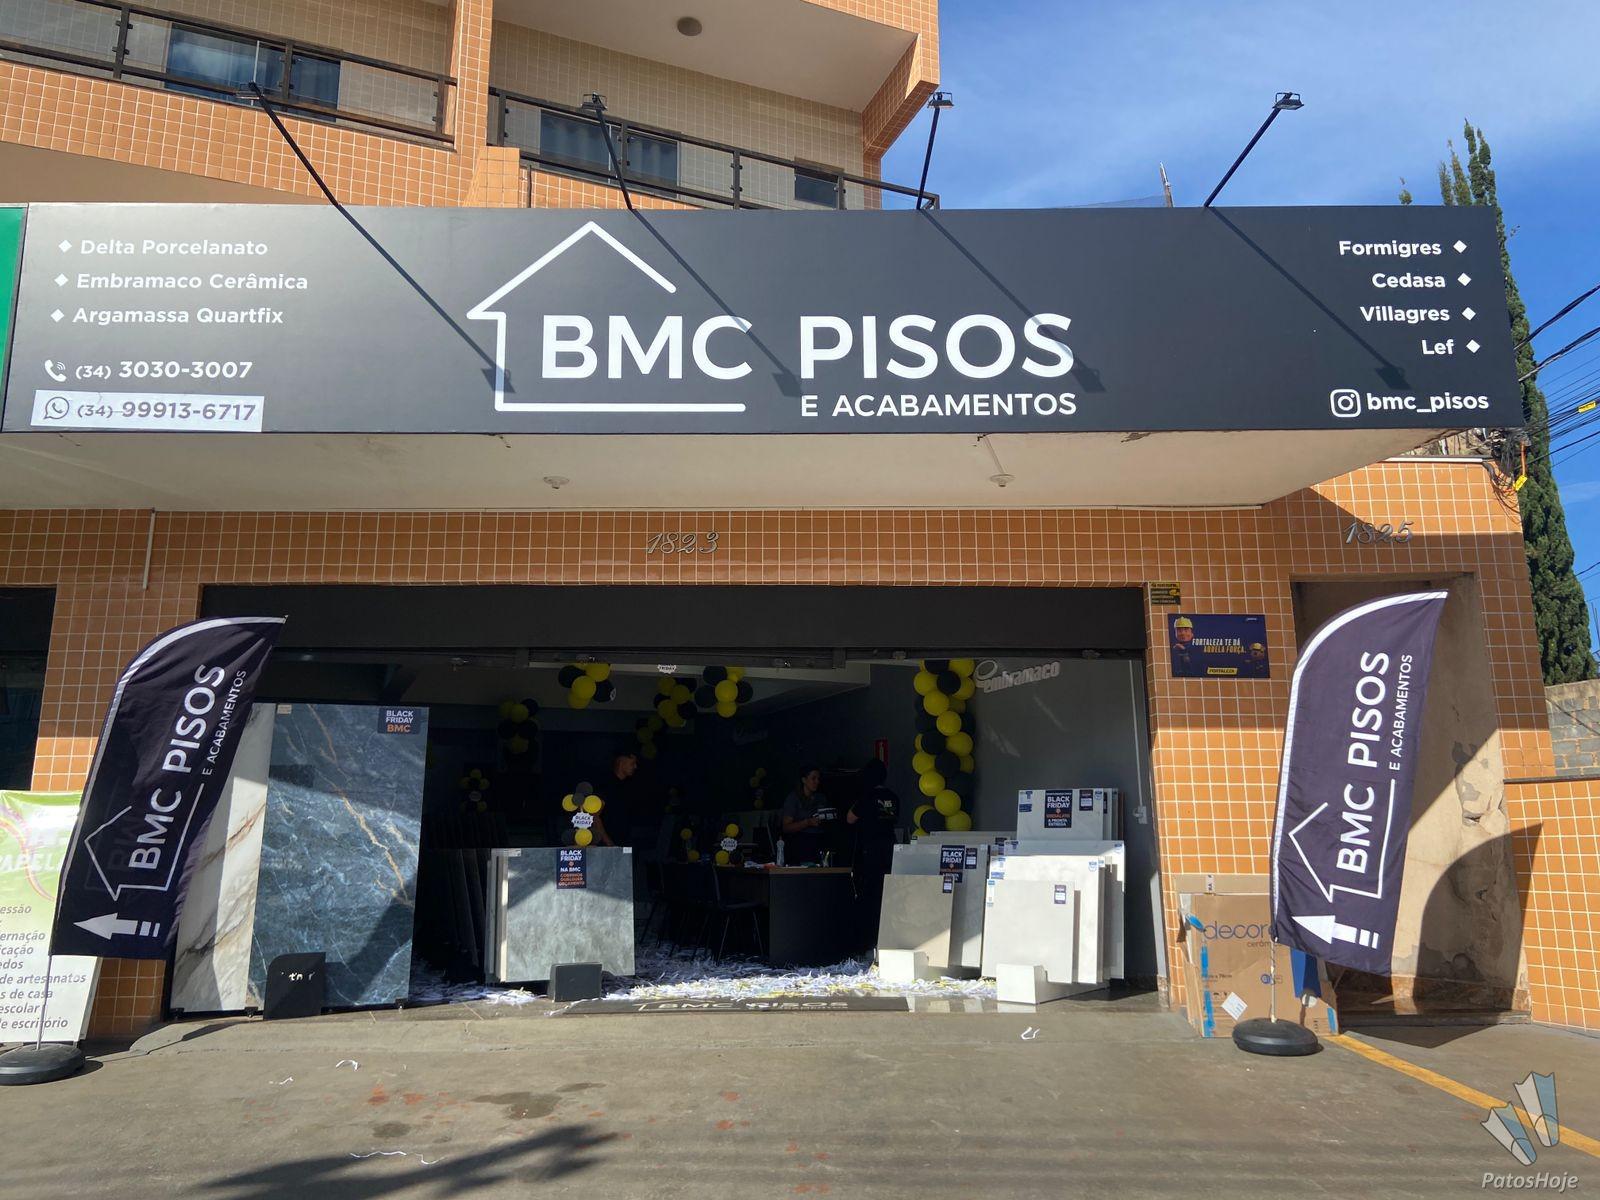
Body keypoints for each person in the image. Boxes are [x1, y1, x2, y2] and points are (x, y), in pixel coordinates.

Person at [587, 747, 639, 847]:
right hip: (608, 844)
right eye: (632, 763)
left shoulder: (628, 785)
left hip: (623, 842)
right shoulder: (606, 784)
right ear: (621, 763)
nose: (635, 767)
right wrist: (609, 843)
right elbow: (594, 815)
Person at [780, 765, 830, 864]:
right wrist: (807, 822)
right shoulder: (793, 798)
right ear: (804, 780)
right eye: (813, 778)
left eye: (818, 779)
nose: (817, 782)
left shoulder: (821, 798)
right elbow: (786, 827)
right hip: (800, 843)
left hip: (819, 841)